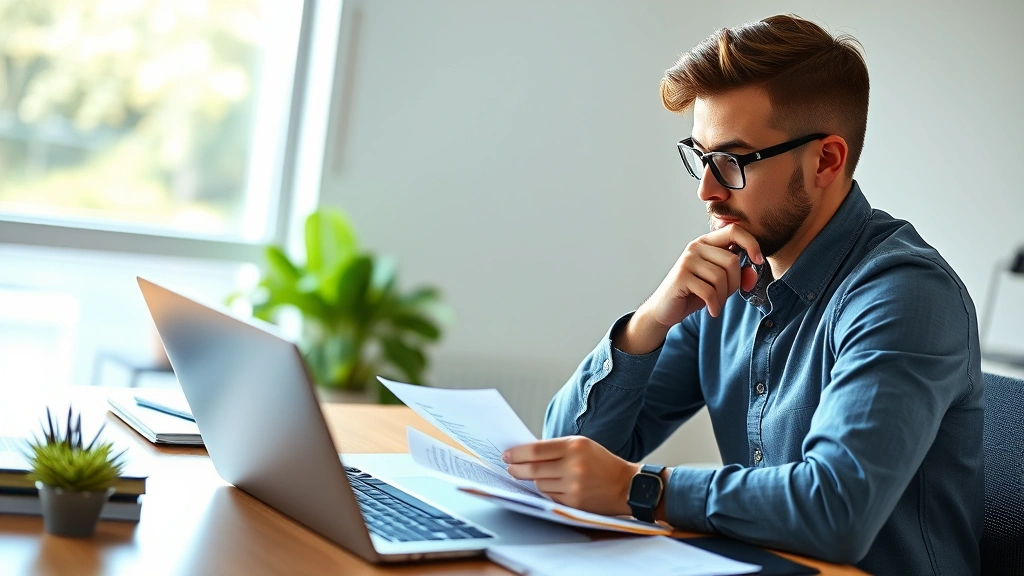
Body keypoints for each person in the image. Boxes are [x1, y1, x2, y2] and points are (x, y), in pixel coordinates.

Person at [502, 14, 983, 575]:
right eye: (700, 158)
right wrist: (652, 321)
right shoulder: (728, 279)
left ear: (826, 160)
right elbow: (566, 458)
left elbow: (836, 509)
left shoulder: (904, 294)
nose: (707, 191)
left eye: (731, 162)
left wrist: (641, 490)